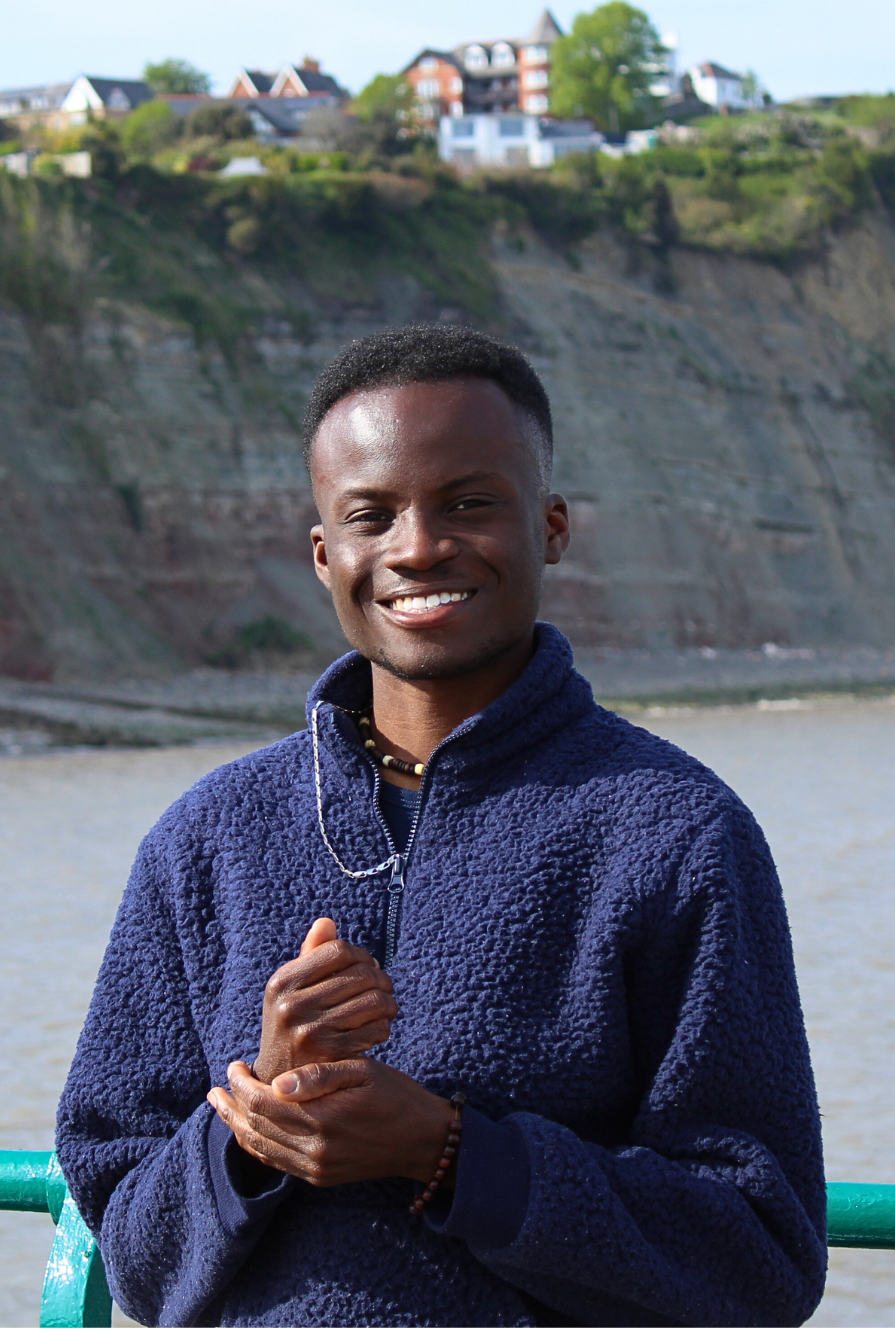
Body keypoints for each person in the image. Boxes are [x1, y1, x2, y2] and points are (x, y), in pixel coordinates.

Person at [56, 324, 825, 1326]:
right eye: (371, 516)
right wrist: (254, 1129)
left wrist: (451, 1153)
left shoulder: (676, 833)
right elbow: (134, 1250)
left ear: (549, 527)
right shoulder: (209, 837)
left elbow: (759, 1256)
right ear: (324, 555)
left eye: (468, 504)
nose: (417, 546)